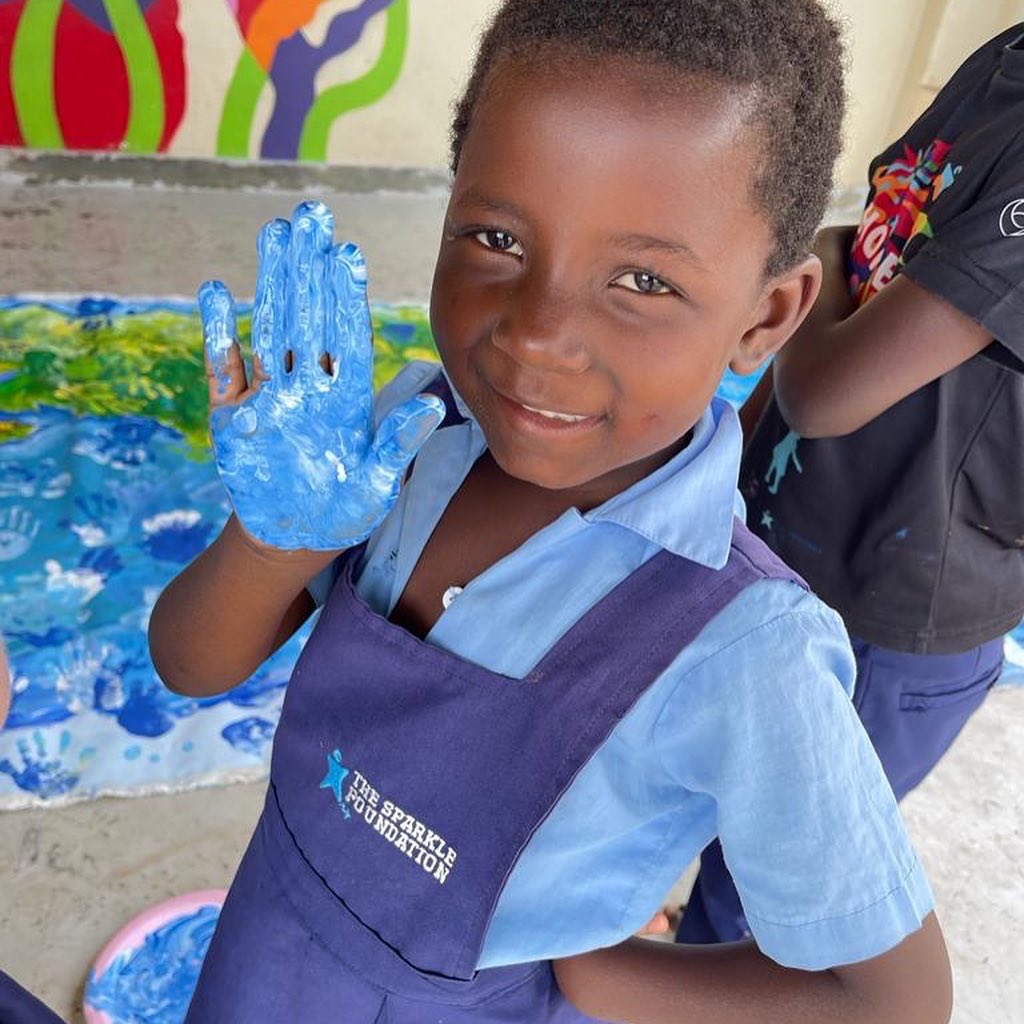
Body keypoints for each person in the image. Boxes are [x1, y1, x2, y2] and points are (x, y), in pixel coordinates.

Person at [150, 2, 953, 1021]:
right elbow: (189, 662)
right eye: (494, 235)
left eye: (643, 279)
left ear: (765, 315)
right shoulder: (408, 440)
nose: (536, 334)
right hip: (271, 937)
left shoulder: (747, 648)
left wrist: (601, 975)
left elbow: (892, 998)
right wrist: (276, 537)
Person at [679, 22, 1024, 948]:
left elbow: (828, 390)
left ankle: (707, 965)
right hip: (807, 532)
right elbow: (889, 234)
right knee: (729, 809)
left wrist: (821, 261)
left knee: (765, 890)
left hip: (887, 608)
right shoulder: (1007, 57)